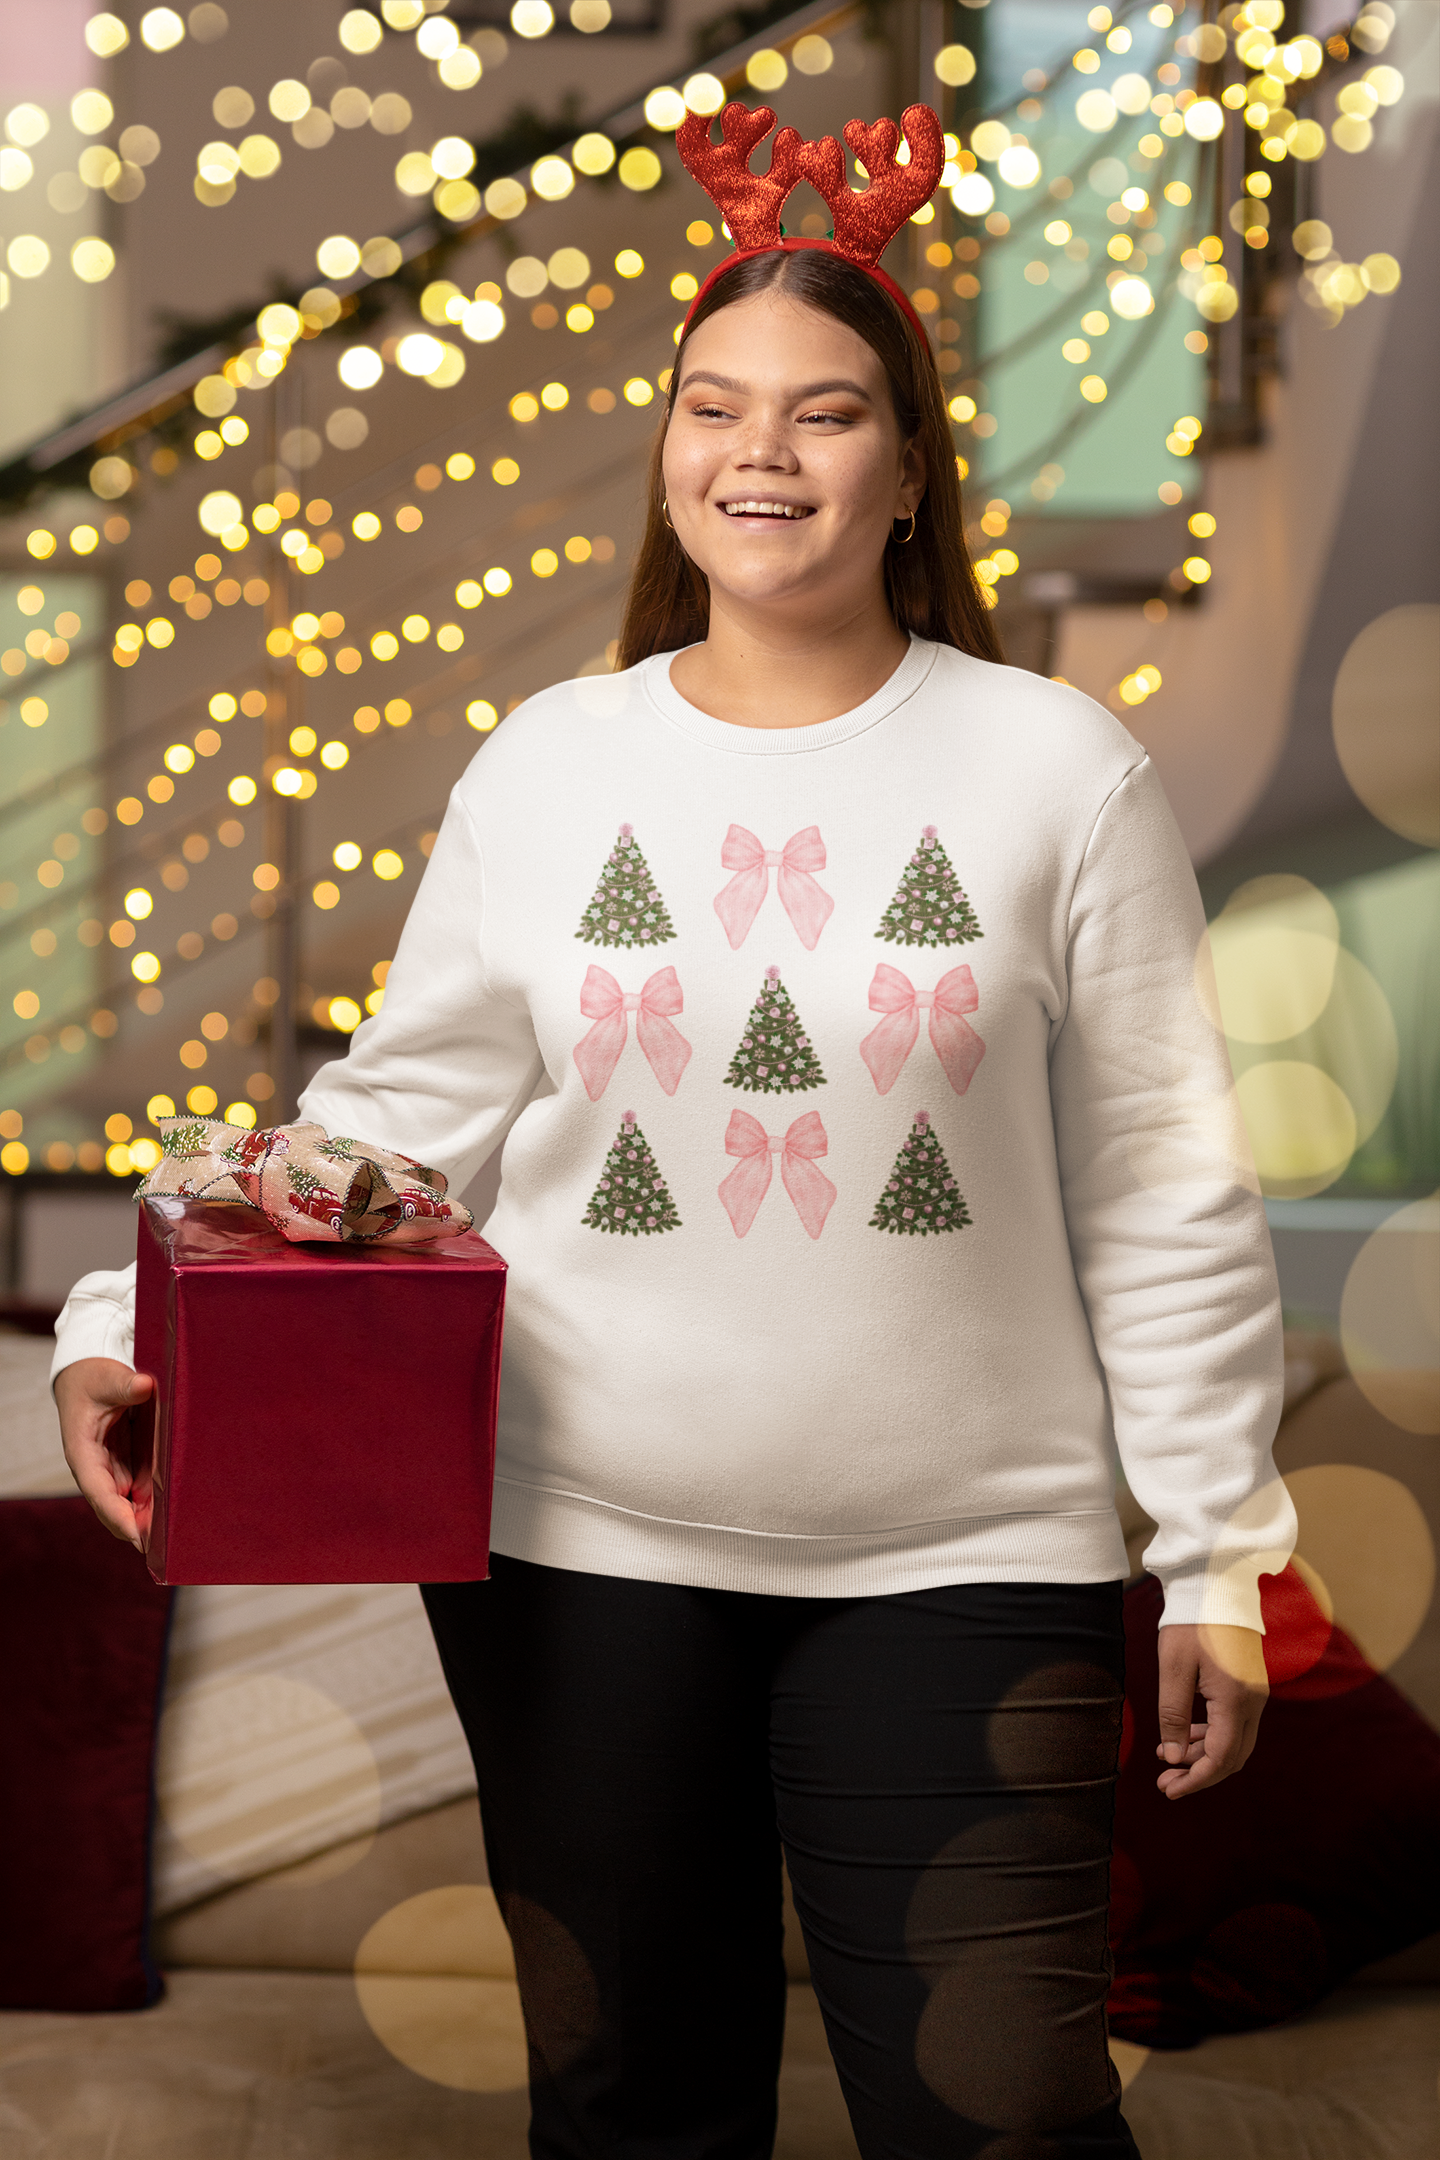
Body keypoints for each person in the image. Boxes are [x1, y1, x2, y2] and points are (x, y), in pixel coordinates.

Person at [54, 101, 1293, 2160]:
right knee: (634, 2113)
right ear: (668, 453)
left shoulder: (1059, 771)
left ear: (908, 469)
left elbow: (1163, 1185)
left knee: (1005, 2124)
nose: (761, 454)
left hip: (979, 1566)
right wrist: (134, 1313)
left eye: (823, 413)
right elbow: (395, 1126)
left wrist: (1225, 1555)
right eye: (714, 406)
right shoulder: (553, 765)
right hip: (574, 1553)